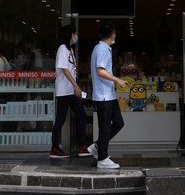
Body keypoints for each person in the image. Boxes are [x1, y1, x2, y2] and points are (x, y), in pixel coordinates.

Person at [87, 22, 128, 169]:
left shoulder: (100, 48)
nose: (115, 35)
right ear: (111, 34)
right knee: (105, 128)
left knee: (118, 123)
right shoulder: (102, 49)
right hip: (103, 96)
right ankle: (103, 158)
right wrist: (118, 80)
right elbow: (100, 71)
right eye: (115, 33)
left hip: (108, 95)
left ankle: (98, 146)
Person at [50, 25, 90, 159]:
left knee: (81, 116)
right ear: (70, 35)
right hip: (64, 91)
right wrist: (76, 85)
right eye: (75, 34)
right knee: (60, 119)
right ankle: (54, 148)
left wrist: (75, 86)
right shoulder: (62, 49)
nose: (76, 36)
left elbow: (71, 69)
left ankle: (82, 146)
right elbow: (64, 69)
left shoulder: (69, 50)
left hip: (70, 91)